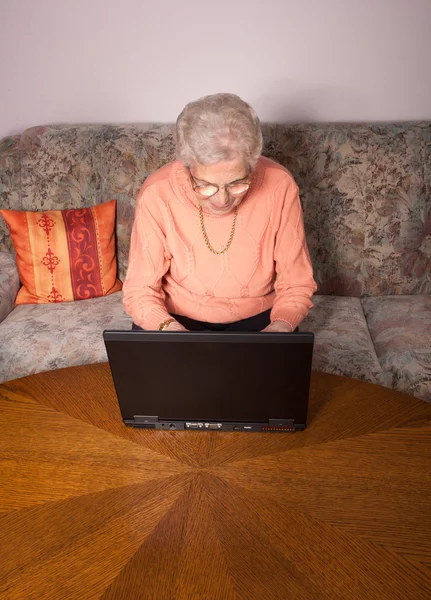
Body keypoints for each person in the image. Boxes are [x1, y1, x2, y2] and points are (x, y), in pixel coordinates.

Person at [123, 93, 317, 333]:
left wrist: (281, 326)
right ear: (186, 165)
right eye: (205, 185)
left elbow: (296, 283)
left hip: (261, 320)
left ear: (253, 164)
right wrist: (173, 333)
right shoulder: (157, 193)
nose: (222, 199)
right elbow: (139, 290)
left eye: (237, 183)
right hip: (174, 320)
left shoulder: (280, 186)